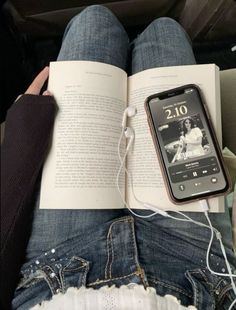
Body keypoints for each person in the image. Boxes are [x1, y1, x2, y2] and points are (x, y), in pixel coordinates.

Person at [1, 5, 235, 310]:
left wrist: (20, 143)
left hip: (55, 270)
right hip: (199, 271)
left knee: (94, 21)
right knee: (164, 31)